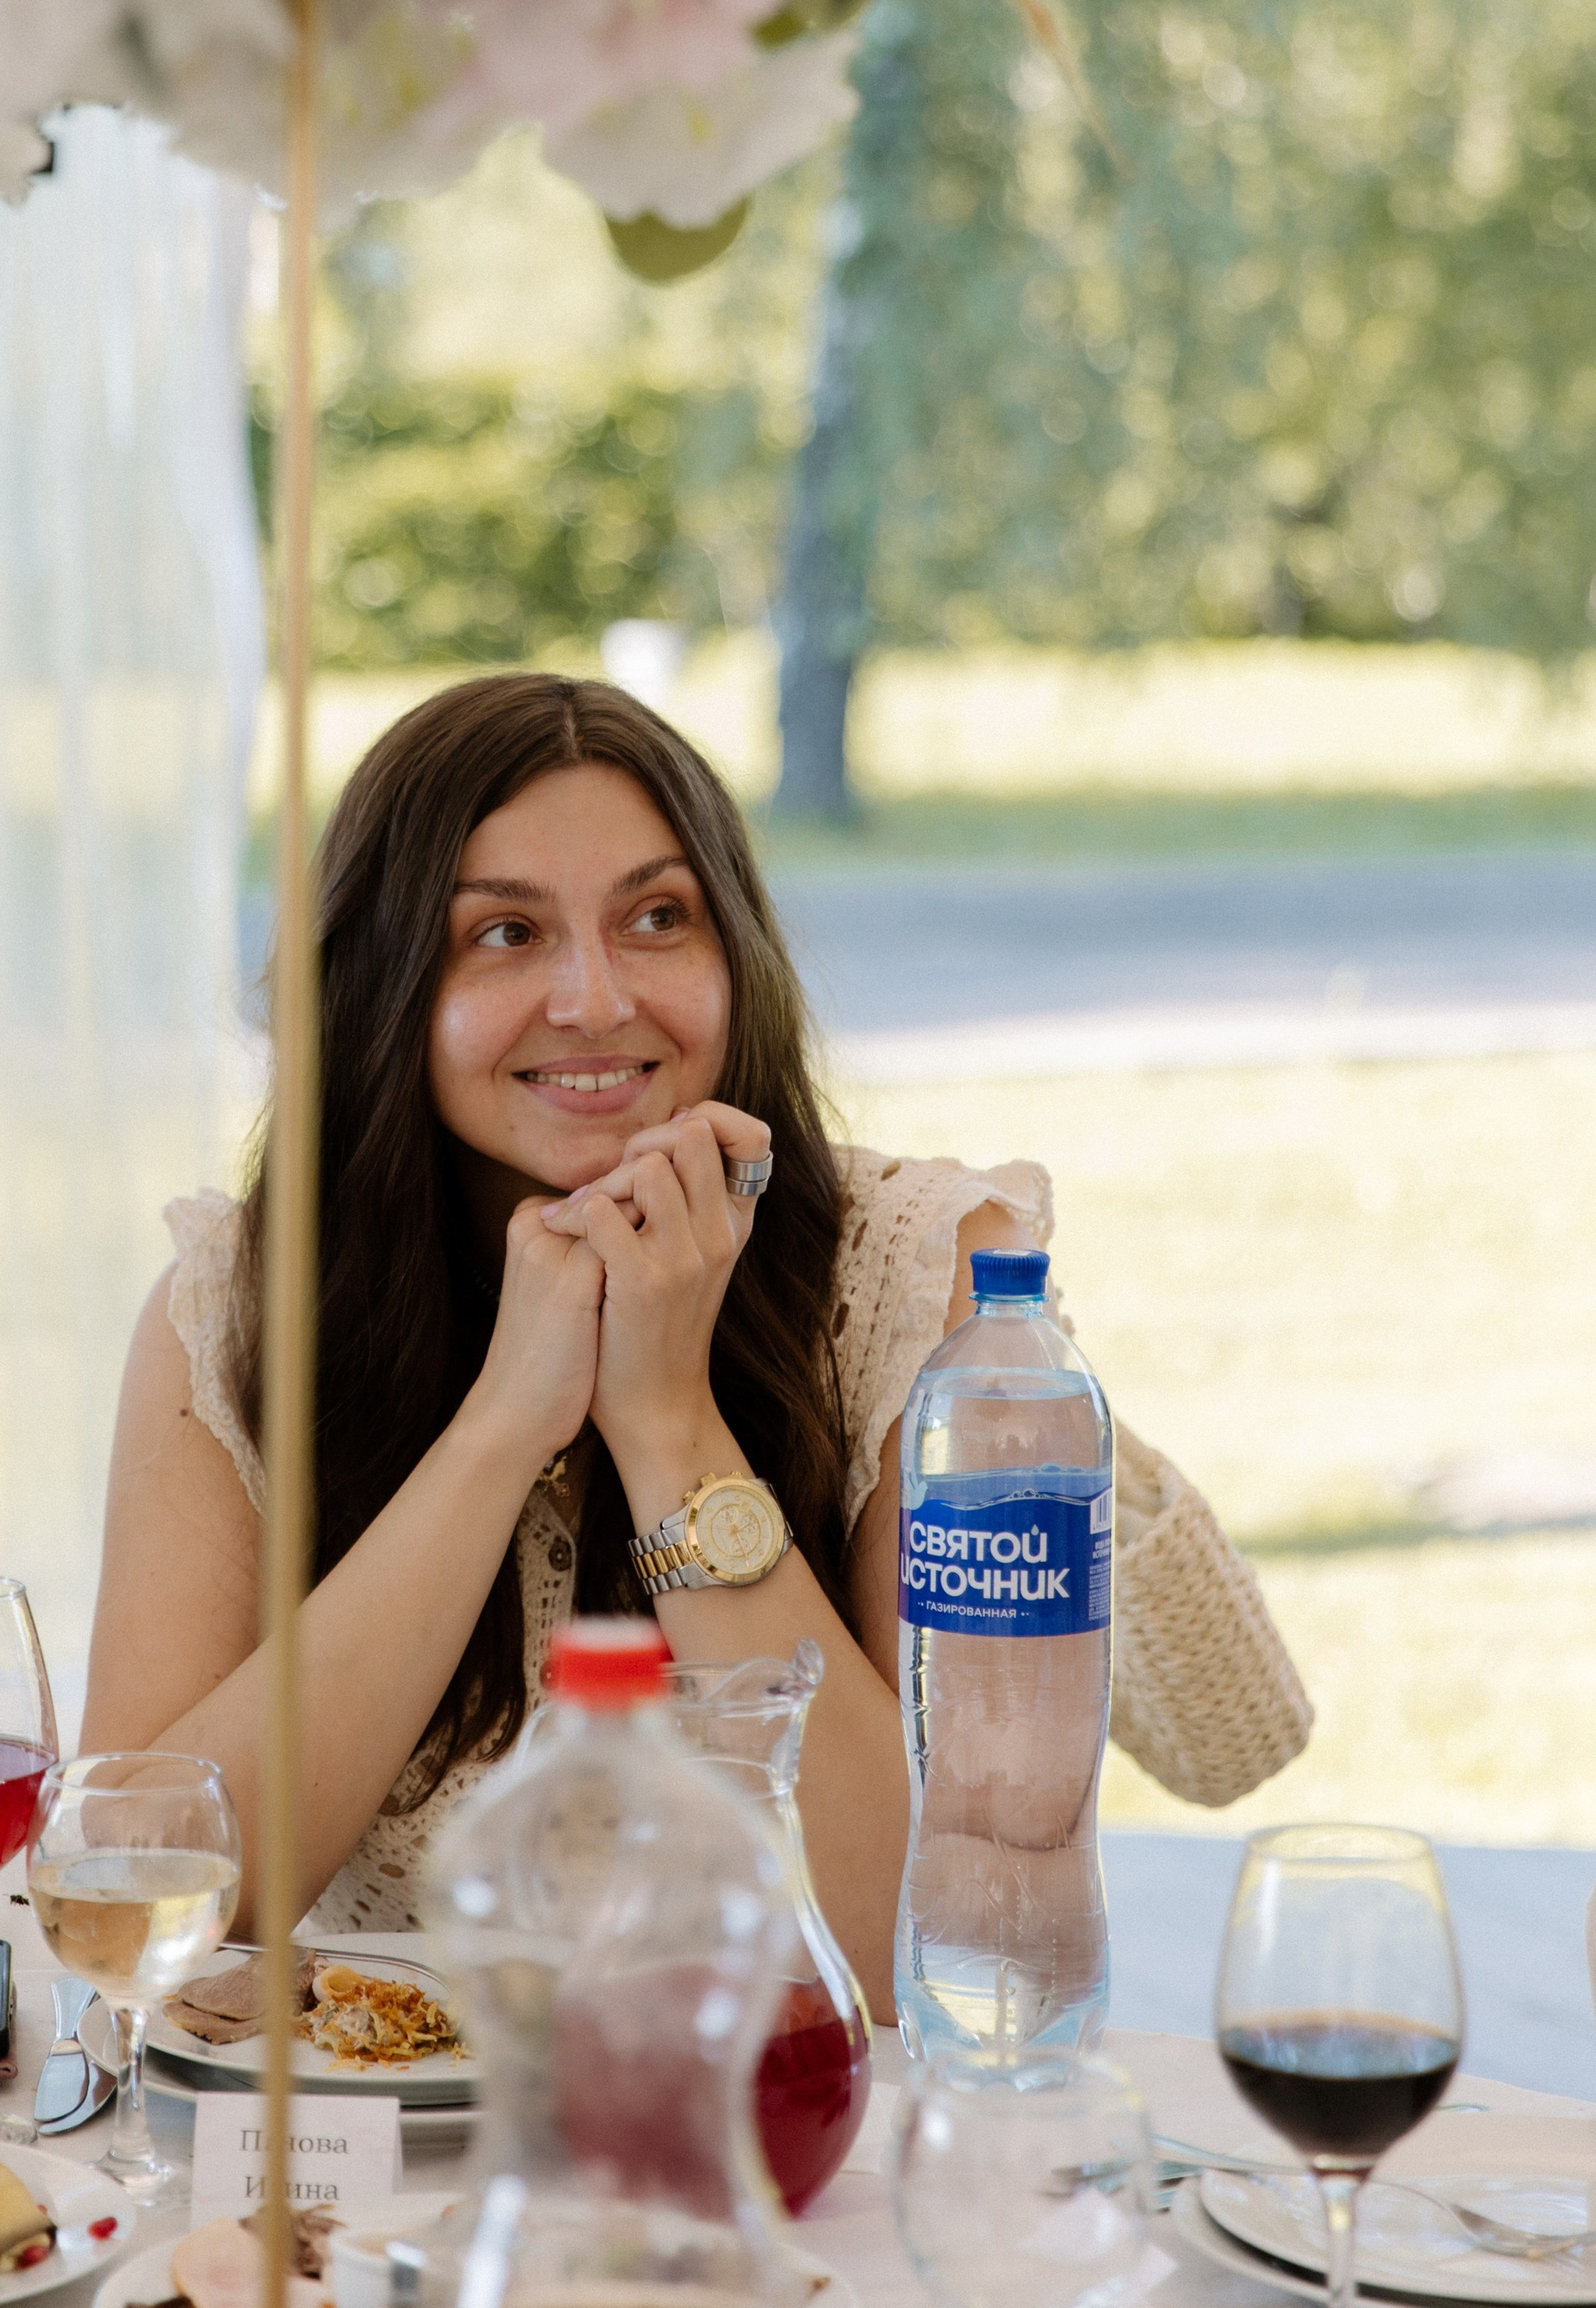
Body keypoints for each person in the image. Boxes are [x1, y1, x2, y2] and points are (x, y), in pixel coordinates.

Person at [84, 674, 1309, 2009]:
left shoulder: (904, 1274)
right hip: (390, 2170)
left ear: (738, 957)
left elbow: (916, 1947)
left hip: (810, 2152)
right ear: (381, 983)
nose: (597, 999)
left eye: (658, 918)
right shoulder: (238, 1306)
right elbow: (140, 1892)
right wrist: (506, 1423)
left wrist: (665, 1416)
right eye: (502, 934)